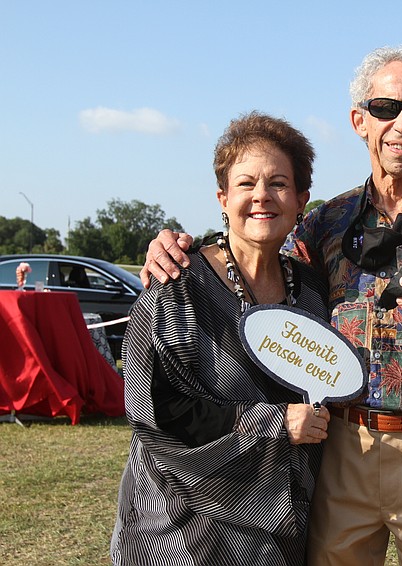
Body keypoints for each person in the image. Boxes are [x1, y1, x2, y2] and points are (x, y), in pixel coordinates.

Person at [141, 46, 402, 566]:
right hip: (342, 447)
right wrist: (178, 248)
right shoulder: (324, 225)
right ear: (360, 121)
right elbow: (253, 257)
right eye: (386, 108)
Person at [111, 112, 331, 566]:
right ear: (222, 197)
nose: (262, 196)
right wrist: (275, 425)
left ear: (301, 200)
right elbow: (154, 408)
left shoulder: (312, 293)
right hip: (181, 532)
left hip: (278, 538)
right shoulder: (177, 283)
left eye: (279, 183)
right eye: (246, 183)